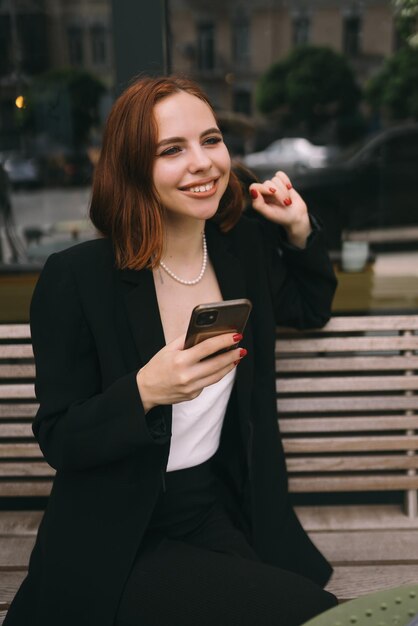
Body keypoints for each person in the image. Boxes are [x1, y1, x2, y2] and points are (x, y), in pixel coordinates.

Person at [4, 76, 338, 626]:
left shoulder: (241, 248)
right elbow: (59, 437)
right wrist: (145, 391)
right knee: (306, 616)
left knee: (313, 613)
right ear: (133, 167)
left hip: (212, 511)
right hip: (116, 534)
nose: (202, 162)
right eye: (171, 150)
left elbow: (310, 306)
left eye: (211, 140)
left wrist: (299, 230)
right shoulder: (79, 279)